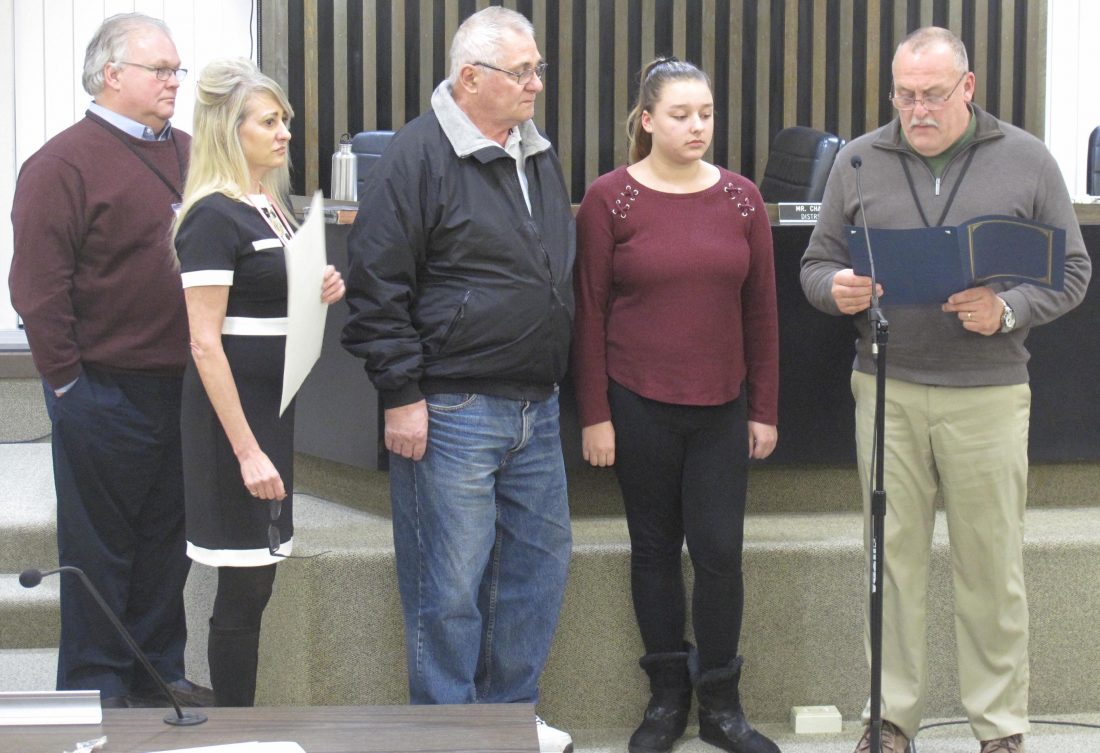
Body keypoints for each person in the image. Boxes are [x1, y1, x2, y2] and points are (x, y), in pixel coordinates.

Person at [800, 27, 1090, 753]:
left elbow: (1073, 272)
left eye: (932, 94)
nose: (917, 109)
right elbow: (815, 264)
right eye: (904, 95)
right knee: (890, 561)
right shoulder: (859, 161)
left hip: (987, 391)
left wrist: (1008, 309)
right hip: (887, 388)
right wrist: (835, 289)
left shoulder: (1027, 159)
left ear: (968, 86)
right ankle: (890, 718)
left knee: (990, 564)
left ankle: (999, 726)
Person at [341, 7, 574, 752]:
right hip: (451, 408)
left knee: (536, 576)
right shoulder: (415, 157)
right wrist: (402, 394)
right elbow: (376, 287)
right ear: (470, 78)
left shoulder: (536, 151)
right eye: (522, 71)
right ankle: (447, 732)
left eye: (538, 68)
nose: (537, 83)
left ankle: (507, 722)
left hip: (537, 405)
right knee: (447, 589)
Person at [572, 58, 781, 753]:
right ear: (648, 120)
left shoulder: (743, 199)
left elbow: (762, 313)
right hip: (637, 402)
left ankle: (721, 704)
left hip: (722, 406)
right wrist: (595, 413)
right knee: (655, 550)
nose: (698, 126)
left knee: (720, 553)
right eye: (682, 114)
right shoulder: (610, 199)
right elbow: (589, 312)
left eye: (707, 114)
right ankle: (666, 697)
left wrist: (764, 408)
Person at [8, 13, 212, 709]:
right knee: (100, 548)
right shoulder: (61, 164)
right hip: (102, 387)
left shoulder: (192, 153)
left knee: (166, 542)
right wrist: (68, 384)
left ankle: (158, 675)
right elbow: (37, 288)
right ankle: (96, 688)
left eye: (177, 70)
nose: (173, 82)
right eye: (160, 70)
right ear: (110, 75)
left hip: (184, 387)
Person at [171, 58, 345, 707]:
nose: (284, 133)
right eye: (270, 122)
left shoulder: (270, 204)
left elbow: (271, 291)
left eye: (284, 121)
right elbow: (203, 340)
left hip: (273, 406)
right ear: (230, 129)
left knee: (259, 577)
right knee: (244, 582)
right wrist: (246, 450)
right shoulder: (212, 216)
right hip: (234, 420)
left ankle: (237, 722)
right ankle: (234, 729)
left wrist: (319, 288)